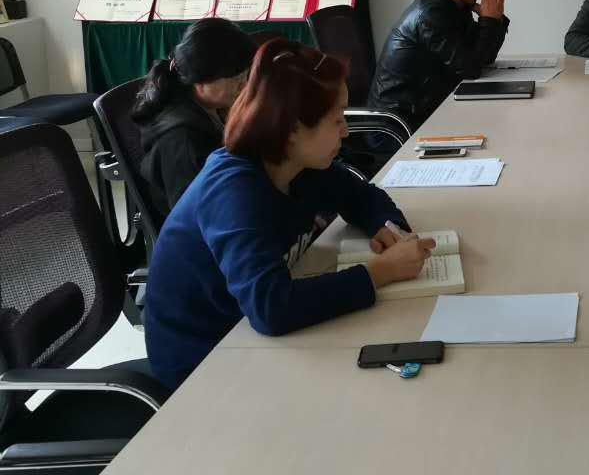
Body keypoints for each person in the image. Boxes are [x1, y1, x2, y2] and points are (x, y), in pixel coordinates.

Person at [144, 41, 434, 390]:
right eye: (337, 119)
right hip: (202, 361)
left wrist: (387, 227)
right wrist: (380, 272)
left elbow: (359, 194)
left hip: (250, 335)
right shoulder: (233, 190)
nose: (345, 130)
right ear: (293, 128)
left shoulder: (298, 163)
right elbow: (271, 308)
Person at [368, 0, 509, 130]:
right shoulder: (430, 14)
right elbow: (471, 69)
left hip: (424, 112)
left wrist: (494, 19)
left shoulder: (454, 6)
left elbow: (483, 57)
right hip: (396, 126)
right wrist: (489, 21)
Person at [132, 17, 256, 215]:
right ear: (200, 79)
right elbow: (197, 214)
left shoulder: (213, 106)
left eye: (245, 75)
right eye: (235, 78)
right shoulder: (182, 141)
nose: (244, 85)